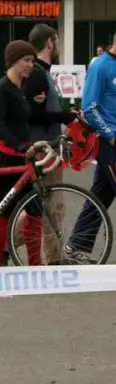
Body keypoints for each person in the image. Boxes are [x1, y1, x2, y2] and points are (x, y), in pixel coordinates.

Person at [22, 24, 77, 263]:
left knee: (43, 207)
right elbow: (31, 113)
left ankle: (1, 240)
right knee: (54, 206)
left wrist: (64, 113)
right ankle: (55, 259)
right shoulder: (36, 73)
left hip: (49, 146)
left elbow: (41, 108)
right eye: (57, 41)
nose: (58, 46)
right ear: (50, 43)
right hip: (42, 148)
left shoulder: (43, 71)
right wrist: (64, 117)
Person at [0, 40, 41, 266]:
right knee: (3, 216)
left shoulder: (20, 88)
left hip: (23, 158)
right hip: (5, 158)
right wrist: (20, 146)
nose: (30, 65)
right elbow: (0, 126)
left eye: (32, 60)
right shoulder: (2, 88)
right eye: (26, 60)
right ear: (13, 61)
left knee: (36, 212)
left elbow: (22, 118)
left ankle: (36, 266)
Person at [66, 33, 116, 260]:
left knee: (101, 195)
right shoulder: (101, 66)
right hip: (109, 143)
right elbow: (89, 106)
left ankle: (76, 245)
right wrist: (110, 134)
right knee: (102, 193)